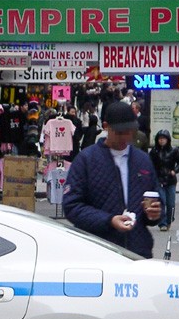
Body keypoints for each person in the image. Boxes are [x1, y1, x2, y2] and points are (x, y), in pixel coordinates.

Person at [62, 100, 161, 257]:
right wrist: (109, 220)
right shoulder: (86, 160)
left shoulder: (142, 160)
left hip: (138, 251)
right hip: (99, 252)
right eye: (120, 132)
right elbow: (72, 206)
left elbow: (155, 197)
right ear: (106, 127)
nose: (126, 137)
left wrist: (154, 214)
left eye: (130, 132)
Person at [148, 129, 179, 231]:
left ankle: (169, 219)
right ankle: (162, 223)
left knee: (171, 203)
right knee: (162, 201)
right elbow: (149, 164)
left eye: (163, 139)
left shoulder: (174, 150)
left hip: (170, 180)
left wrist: (175, 170)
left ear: (168, 140)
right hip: (159, 179)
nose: (161, 141)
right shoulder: (154, 151)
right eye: (160, 139)